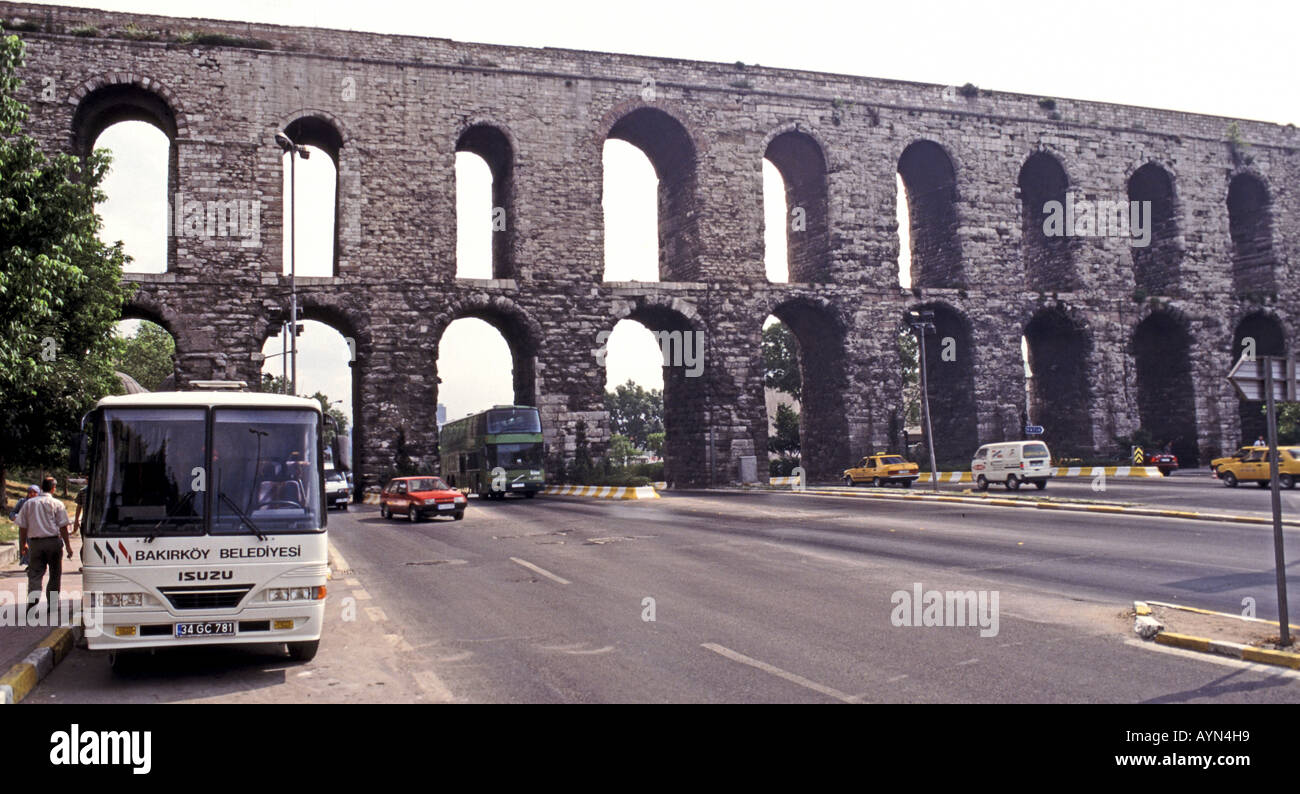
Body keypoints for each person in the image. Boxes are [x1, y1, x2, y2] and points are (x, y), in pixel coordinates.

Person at [15, 477, 74, 616]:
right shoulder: (56, 503)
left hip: (35, 543)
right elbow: (63, 527)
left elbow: (22, 526)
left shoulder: (29, 504)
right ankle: (52, 605)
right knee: (54, 574)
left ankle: (33, 600)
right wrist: (68, 546)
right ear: (53, 488)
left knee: (35, 573)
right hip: (53, 543)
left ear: (41, 487)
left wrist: (23, 543)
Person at [8, 484, 39, 566]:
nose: (32, 494)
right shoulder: (22, 501)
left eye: (35, 492)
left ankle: (34, 564)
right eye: (30, 492)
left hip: (37, 528)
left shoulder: (41, 502)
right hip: (24, 528)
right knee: (26, 546)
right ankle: (29, 564)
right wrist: (16, 517)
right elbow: (12, 513)